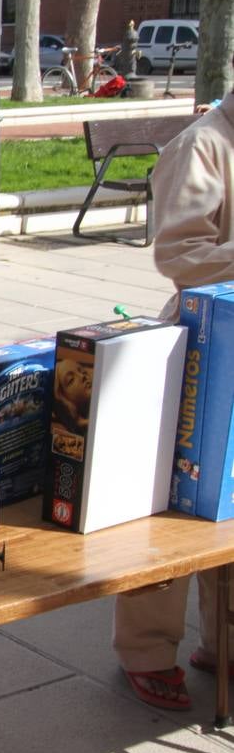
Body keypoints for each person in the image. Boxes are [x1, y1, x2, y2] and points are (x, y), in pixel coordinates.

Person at [115, 72, 234, 710]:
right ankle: (147, 649)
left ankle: (222, 643)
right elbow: (180, 254)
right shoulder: (203, 144)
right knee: (178, 502)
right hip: (206, 343)